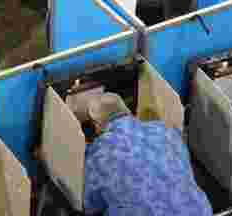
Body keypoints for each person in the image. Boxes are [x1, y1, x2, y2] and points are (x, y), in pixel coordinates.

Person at [74, 92, 212, 215]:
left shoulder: (100, 154)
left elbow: (89, 204)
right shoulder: (166, 131)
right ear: (128, 111)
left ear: (96, 124)